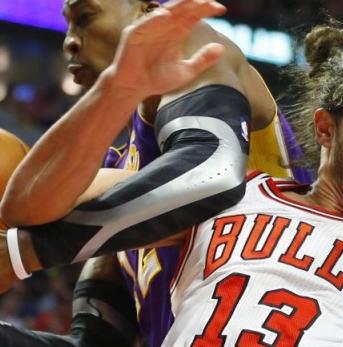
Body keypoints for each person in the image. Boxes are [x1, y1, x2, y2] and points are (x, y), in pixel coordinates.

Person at [0, 0, 306, 346]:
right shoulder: (121, 182)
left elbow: (212, 171)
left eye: (85, 17)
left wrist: (24, 253)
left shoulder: (192, 47)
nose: (69, 41)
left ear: (147, 11)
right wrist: (116, 88)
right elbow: (21, 209)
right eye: (68, 26)